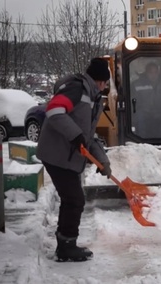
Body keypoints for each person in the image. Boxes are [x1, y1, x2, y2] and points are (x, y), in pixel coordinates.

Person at [36, 58, 112, 262]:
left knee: (72, 199)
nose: (105, 87)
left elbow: (88, 136)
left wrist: (103, 161)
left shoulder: (92, 98)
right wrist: (75, 135)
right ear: (101, 81)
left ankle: (66, 243)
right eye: (105, 83)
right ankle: (66, 247)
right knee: (74, 199)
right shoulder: (77, 89)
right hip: (56, 154)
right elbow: (53, 110)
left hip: (66, 156)